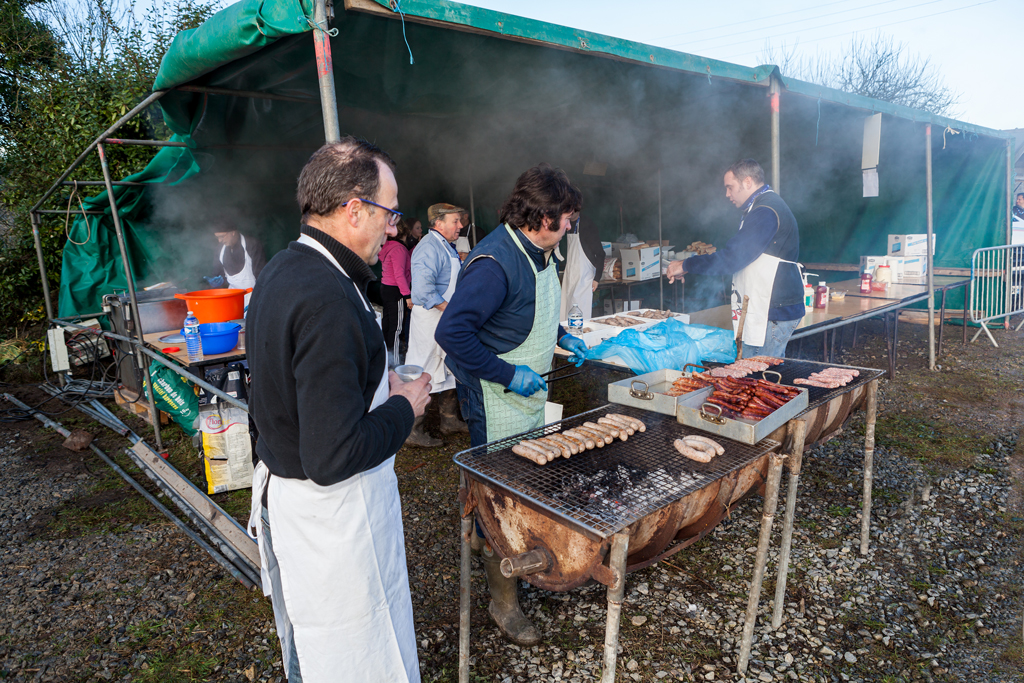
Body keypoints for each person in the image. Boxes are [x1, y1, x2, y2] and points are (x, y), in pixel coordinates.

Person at [245, 138, 432, 683]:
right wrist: (403, 407)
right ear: (354, 210)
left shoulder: (284, 268)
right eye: (389, 213)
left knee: (312, 647)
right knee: (352, 656)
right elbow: (332, 456)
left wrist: (372, 383)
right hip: (332, 520)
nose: (393, 229)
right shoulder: (327, 297)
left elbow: (298, 383)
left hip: (293, 501)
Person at [435, 164, 587, 646]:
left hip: (527, 393)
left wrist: (561, 336)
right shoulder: (494, 263)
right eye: (566, 218)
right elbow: (451, 333)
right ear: (542, 217)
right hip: (493, 395)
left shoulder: (542, 251)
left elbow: (525, 310)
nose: (570, 226)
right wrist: (506, 374)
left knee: (522, 480)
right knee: (496, 493)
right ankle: (502, 601)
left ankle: (515, 556)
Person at [666, 158, 803, 358]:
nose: (727, 194)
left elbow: (733, 258)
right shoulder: (762, 206)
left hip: (772, 309)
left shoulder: (765, 211)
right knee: (758, 370)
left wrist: (686, 264)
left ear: (747, 182)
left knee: (758, 372)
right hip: (771, 307)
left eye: (730, 187)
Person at [406, 203, 469, 446]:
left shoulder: (446, 246)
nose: (460, 225)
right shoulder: (428, 247)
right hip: (430, 322)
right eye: (455, 221)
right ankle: (412, 430)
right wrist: (451, 309)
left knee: (450, 367)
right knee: (425, 371)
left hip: (445, 319)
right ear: (439, 223)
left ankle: (449, 420)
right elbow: (423, 290)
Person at [559, 213, 605, 321]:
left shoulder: (587, 225)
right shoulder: (567, 224)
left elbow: (600, 254)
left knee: (579, 312)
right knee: (565, 309)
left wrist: (597, 278)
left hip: (584, 277)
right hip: (570, 275)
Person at [210, 220, 266, 306]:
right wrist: (218, 281)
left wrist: (258, 298)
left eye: (222, 236)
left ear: (232, 232)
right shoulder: (220, 249)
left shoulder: (252, 245)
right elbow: (218, 272)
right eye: (217, 237)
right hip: (233, 297)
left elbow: (261, 275)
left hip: (254, 296)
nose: (219, 240)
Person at [380, 219, 413, 364]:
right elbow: (399, 274)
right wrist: (407, 295)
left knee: (388, 324)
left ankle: (385, 358)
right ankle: (394, 362)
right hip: (396, 291)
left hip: (386, 288)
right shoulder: (399, 249)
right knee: (396, 328)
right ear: (405, 233)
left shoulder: (388, 246)